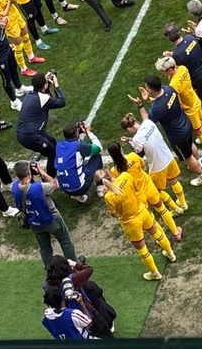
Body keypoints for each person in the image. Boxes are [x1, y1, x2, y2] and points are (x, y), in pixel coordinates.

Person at [97, 143, 177, 280]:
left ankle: (155, 273)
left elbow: (113, 214)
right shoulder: (125, 176)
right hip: (142, 211)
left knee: (142, 248)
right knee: (156, 232)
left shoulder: (108, 197)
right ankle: (170, 254)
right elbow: (135, 187)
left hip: (130, 222)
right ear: (109, 174)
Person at [129, 75, 202, 187]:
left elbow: (147, 124)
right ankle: (200, 165)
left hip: (177, 135)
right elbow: (162, 99)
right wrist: (149, 98)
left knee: (187, 157)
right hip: (186, 124)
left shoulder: (157, 108)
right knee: (190, 144)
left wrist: (140, 105)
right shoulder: (169, 89)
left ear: (149, 89)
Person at [163, 21, 202, 139]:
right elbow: (187, 51)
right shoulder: (190, 37)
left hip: (199, 80)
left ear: (169, 39)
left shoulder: (177, 55)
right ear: (179, 31)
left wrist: (170, 57)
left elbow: (180, 61)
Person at [12, 160, 78, 267]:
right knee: (66, 242)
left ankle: (49, 269)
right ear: (29, 171)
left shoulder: (14, 187)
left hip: (34, 223)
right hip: (52, 220)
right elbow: (55, 185)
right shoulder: (39, 187)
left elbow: (24, 187)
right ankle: (74, 265)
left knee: (44, 247)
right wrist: (42, 172)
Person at [120, 111, 188, 214]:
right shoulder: (148, 123)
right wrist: (130, 140)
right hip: (169, 157)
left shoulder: (136, 139)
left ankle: (176, 210)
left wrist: (130, 141)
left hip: (157, 166)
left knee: (156, 190)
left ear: (129, 128)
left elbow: (140, 154)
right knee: (173, 180)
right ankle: (183, 203)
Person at [154, 56, 202, 162]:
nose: (163, 73)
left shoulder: (174, 84)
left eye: (163, 71)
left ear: (170, 69)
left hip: (189, 108)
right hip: (195, 100)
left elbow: (171, 97)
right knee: (201, 122)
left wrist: (152, 98)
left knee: (198, 131)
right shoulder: (183, 68)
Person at [46, 256, 116, 338]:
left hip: (70, 321)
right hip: (83, 315)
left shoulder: (48, 286)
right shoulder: (72, 279)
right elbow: (89, 269)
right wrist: (75, 264)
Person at [0, 0, 43, 77]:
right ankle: (23, 69)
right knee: (19, 45)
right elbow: (3, 14)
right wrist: (10, 2)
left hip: (16, 15)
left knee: (26, 36)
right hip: (9, 23)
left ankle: (31, 57)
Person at [17, 71, 66, 171]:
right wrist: (56, 85)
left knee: (52, 141)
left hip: (24, 133)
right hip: (32, 136)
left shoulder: (29, 94)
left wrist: (46, 85)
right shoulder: (43, 98)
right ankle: (50, 179)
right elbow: (62, 101)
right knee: (52, 153)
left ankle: (46, 159)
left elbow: (47, 97)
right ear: (44, 85)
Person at [54, 121, 105, 204]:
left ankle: (77, 196)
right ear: (77, 133)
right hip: (80, 187)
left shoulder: (58, 146)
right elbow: (98, 147)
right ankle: (100, 188)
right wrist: (88, 131)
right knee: (97, 156)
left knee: (78, 163)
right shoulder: (79, 147)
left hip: (65, 189)